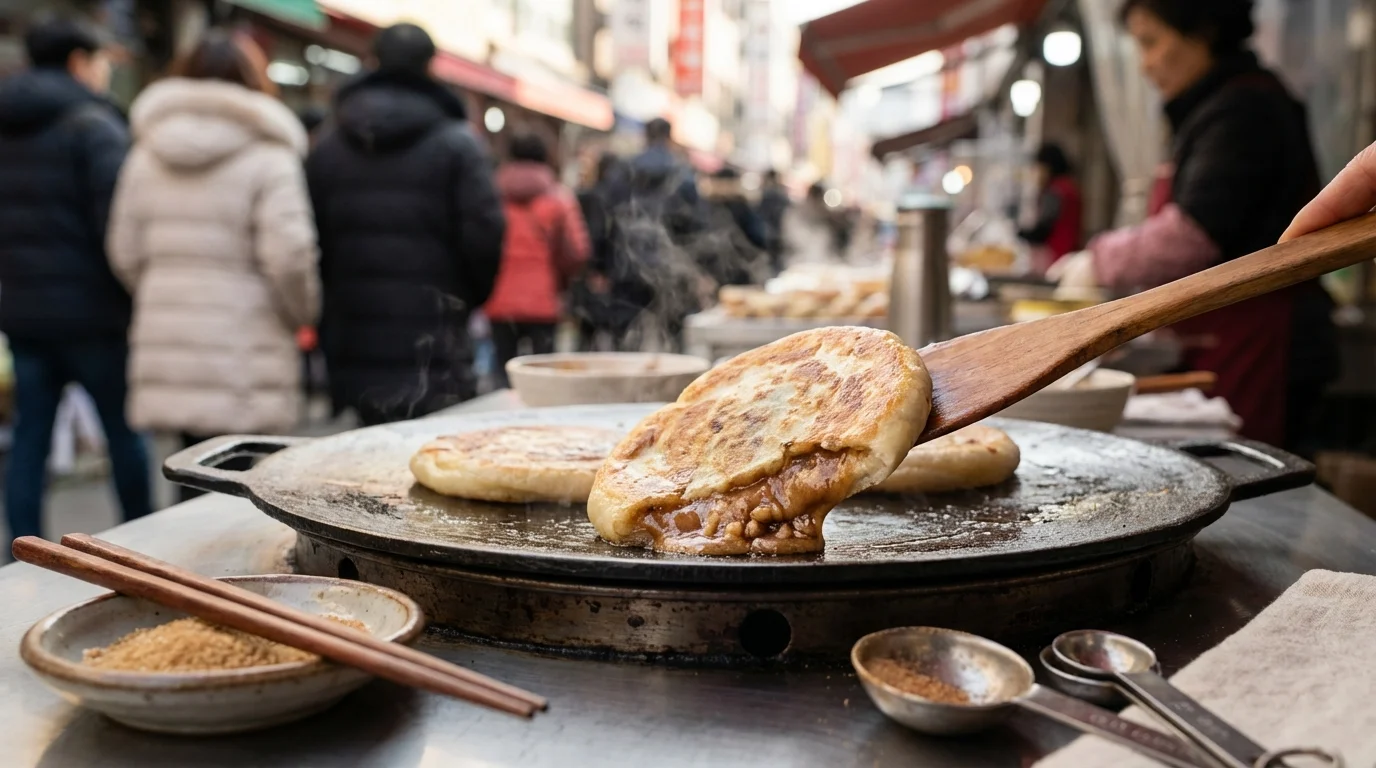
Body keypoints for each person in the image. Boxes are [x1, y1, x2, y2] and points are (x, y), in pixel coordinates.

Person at [1052, 0, 1337, 449]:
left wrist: (1099, 260)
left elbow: (1193, 234)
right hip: (1221, 336)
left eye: (1151, 42)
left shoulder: (1246, 108)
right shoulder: (1211, 107)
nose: (1145, 65)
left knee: (1250, 471)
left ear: (1202, 32)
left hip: (1265, 342)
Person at [106, 30, 320, 502]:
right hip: (247, 338)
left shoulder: (146, 153)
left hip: (169, 337)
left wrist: (164, 292)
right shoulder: (270, 154)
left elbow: (123, 250)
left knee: (189, 475)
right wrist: (301, 313)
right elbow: (290, 255)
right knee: (242, 486)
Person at [0, 16, 151, 542]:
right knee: (123, 434)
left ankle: (23, 550)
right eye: (102, 61)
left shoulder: (6, 124)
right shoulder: (94, 125)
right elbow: (120, 228)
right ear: (78, 62)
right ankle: (140, 547)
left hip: (23, 310)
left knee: (29, 439)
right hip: (94, 314)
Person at [306, 23, 504, 424]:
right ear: (431, 66)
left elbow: (313, 241)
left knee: (368, 451)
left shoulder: (329, 145)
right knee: (439, 452)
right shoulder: (458, 144)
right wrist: (462, 301)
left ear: (372, 61)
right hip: (436, 339)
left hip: (354, 338)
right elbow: (485, 236)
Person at [484, 132, 590, 387]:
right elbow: (577, 251)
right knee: (544, 380)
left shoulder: (491, 194)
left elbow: (478, 243)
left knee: (502, 376)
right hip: (544, 301)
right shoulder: (559, 198)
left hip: (499, 299)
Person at [1019, 143, 1083, 265]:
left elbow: (1044, 228)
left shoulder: (1056, 190)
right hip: (1070, 254)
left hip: (1055, 255)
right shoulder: (1071, 187)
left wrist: (1020, 233)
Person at [756, 170, 791, 275]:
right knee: (778, 260)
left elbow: (761, 213)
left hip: (771, 233)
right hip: (779, 233)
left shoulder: (768, 196)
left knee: (774, 261)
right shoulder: (782, 195)